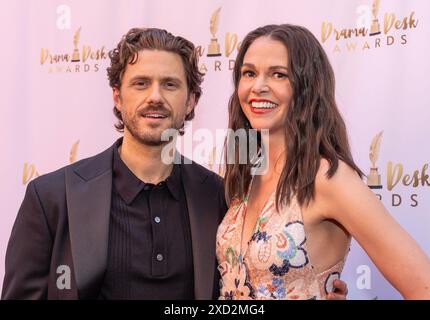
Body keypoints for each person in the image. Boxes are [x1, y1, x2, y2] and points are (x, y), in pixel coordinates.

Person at [2, 27, 348, 300]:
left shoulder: (219, 195)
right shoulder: (52, 198)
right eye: (140, 84)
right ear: (118, 97)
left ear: (191, 100)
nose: (155, 96)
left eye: (170, 84)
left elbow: (252, 284)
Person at [216, 24, 430, 300]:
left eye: (278, 74)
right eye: (249, 73)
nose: (258, 86)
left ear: (307, 87)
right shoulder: (245, 176)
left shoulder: (328, 177)